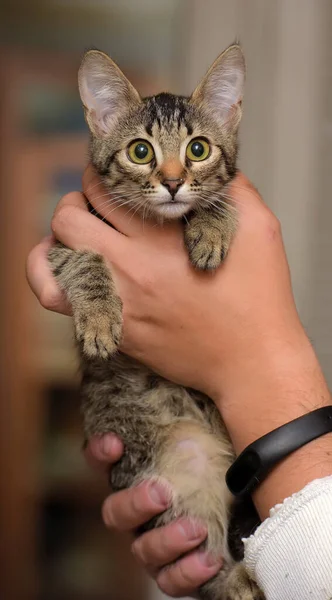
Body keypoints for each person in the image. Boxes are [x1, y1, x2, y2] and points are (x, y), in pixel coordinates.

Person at [27, 167, 332, 599]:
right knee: (196, 523)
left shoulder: (220, 211)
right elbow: (65, 257)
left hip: (229, 437)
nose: (172, 174)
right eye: (141, 151)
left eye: (195, 150)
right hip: (159, 424)